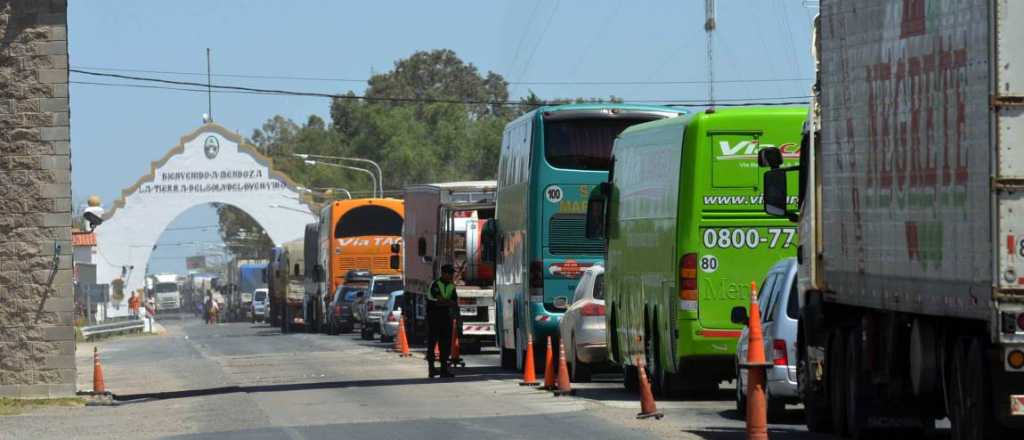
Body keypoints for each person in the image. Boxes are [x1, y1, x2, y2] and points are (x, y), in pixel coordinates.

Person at [426, 264, 459, 378]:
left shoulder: (451, 286)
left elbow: (454, 302)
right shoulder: (435, 284)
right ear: (444, 273)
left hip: (445, 318)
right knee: (432, 343)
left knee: (445, 344)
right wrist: (446, 302)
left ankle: (444, 369)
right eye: (450, 273)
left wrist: (444, 302)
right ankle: (431, 369)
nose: (452, 276)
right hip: (434, 318)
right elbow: (437, 300)